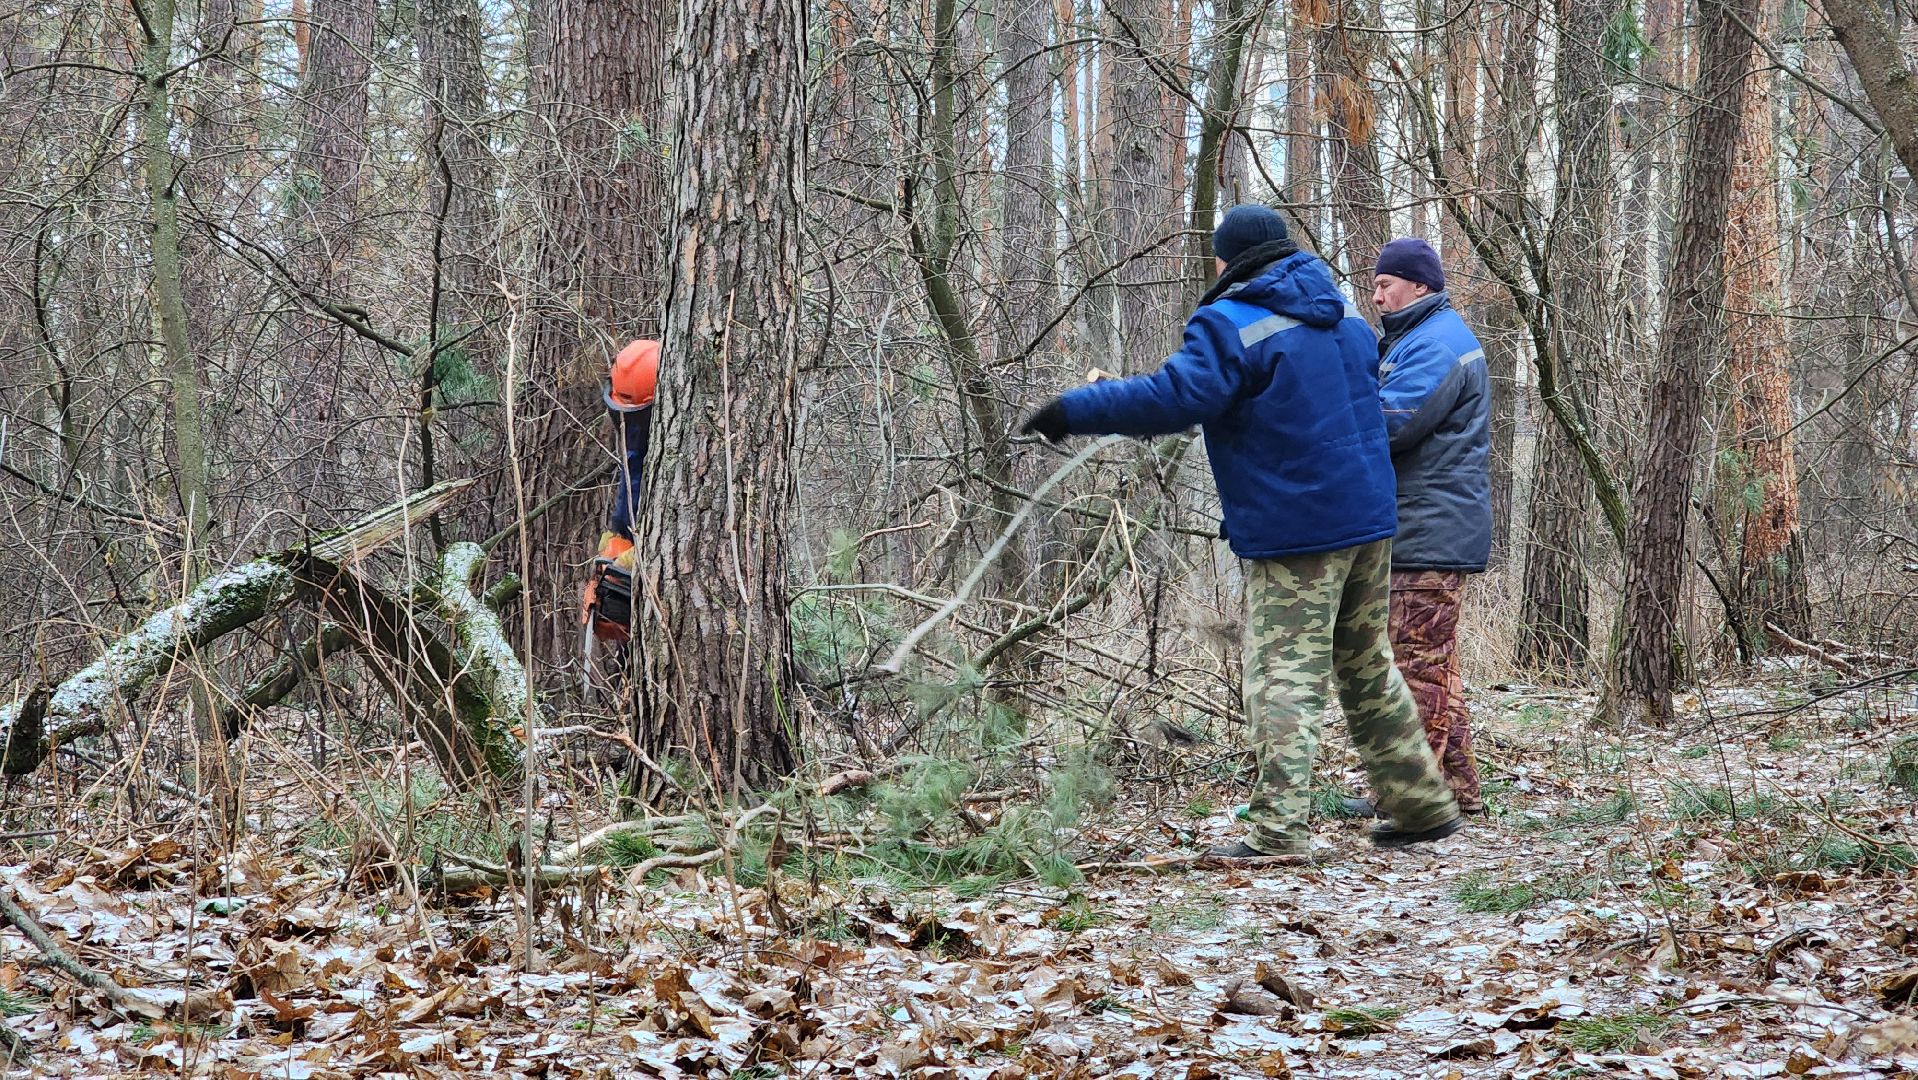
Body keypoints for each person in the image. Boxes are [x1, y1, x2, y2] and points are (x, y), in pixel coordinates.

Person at [1019, 205, 1462, 860]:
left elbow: (1178, 398)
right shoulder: (1343, 317)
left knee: (1283, 674)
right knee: (1368, 666)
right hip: (1369, 519)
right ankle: (1421, 805)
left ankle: (1278, 830)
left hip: (1300, 530)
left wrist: (1075, 408)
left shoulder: (1231, 322)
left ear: (1226, 261)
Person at [1344, 237, 1491, 818]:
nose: (1376, 294)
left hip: (1426, 529)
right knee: (1435, 664)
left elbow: (1392, 421)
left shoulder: (1436, 344)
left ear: (1420, 286)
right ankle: (1456, 791)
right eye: (1375, 284)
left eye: (1386, 284)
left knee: (1414, 666)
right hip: (1425, 525)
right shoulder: (1420, 338)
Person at [584, 339, 659, 648]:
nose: (629, 423)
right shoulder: (634, 438)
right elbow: (630, 477)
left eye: (636, 415)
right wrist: (615, 546)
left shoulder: (662, 443)